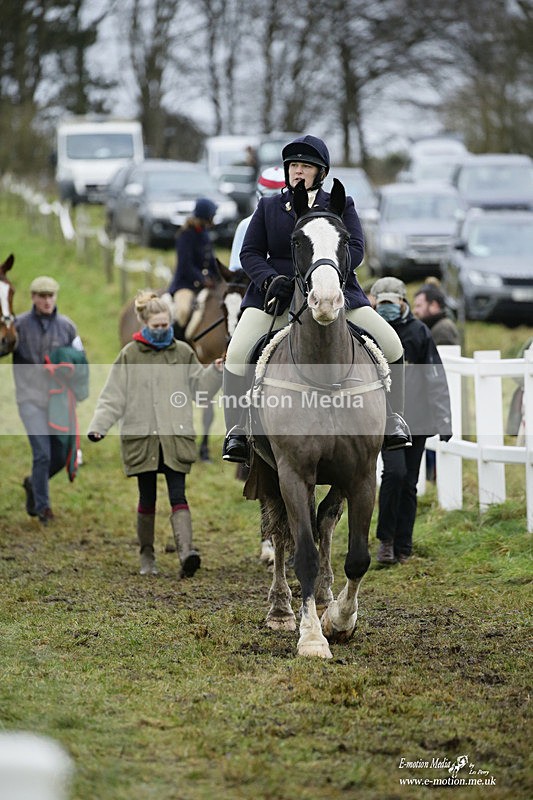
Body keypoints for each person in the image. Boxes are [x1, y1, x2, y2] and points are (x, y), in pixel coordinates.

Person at [221, 134, 411, 462]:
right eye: (293, 165)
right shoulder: (269, 207)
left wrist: (330, 276)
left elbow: (356, 249)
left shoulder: (340, 205)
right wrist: (270, 280)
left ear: (320, 173)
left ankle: (394, 419)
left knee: (392, 345)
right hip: (277, 297)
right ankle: (238, 430)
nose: (298, 171)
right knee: (237, 355)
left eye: (305, 166)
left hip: (335, 292)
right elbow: (250, 251)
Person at [87, 290, 223, 577]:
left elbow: (200, 391)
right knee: (146, 497)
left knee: (178, 494)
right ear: (144, 323)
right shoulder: (130, 355)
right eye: (157, 326)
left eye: (167, 325)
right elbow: (113, 395)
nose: (163, 330)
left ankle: (187, 552)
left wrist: (215, 372)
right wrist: (100, 425)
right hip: (143, 439)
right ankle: (146, 557)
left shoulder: (183, 352)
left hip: (175, 438)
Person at [371, 277, 452, 565]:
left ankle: (404, 545)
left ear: (403, 301)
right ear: (373, 302)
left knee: (409, 481)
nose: (387, 309)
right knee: (393, 474)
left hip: (417, 418)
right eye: (382, 304)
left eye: (392, 304)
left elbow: (435, 377)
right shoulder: (368, 331)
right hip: (385, 418)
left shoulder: (419, 332)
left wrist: (444, 420)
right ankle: (386, 541)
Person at [4, 276, 88, 525]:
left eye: (51, 296)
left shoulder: (67, 327)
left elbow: (81, 360)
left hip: (58, 401)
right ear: (33, 298)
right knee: (41, 453)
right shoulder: (18, 325)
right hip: (29, 399)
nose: (47, 300)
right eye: (42, 296)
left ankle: (33, 482)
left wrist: (68, 373)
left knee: (60, 455)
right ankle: (44, 508)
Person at [167, 197, 219, 340]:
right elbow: (185, 266)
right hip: (186, 284)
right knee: (183, 312)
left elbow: (210, 259)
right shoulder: (185, 235)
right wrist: (203, 280)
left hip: (205, 283)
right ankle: (175, 343)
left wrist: (222, 275)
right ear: (206, 216)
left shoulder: (204, 233)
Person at [228, 166, 286, 272]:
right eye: (270, 197)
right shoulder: (246, 225)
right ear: (259, 196)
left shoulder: (297, 223)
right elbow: (236, 269)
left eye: (278, 197)